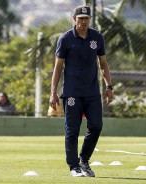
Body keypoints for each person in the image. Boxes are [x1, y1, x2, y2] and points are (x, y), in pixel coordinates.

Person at [49, 5, 113, 177]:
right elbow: (58, 67)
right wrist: (53, 92)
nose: (83, 21)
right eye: (80, 18)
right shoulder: (65, 38)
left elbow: (103, 64)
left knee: (97, 126)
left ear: (89, 19)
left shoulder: (97, 37)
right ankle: (74, 167)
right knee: (72, 130)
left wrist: (109, 86)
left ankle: (84, 160)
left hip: (92, 93)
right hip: (72, 93)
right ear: (74, 19)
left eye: (86, 18)